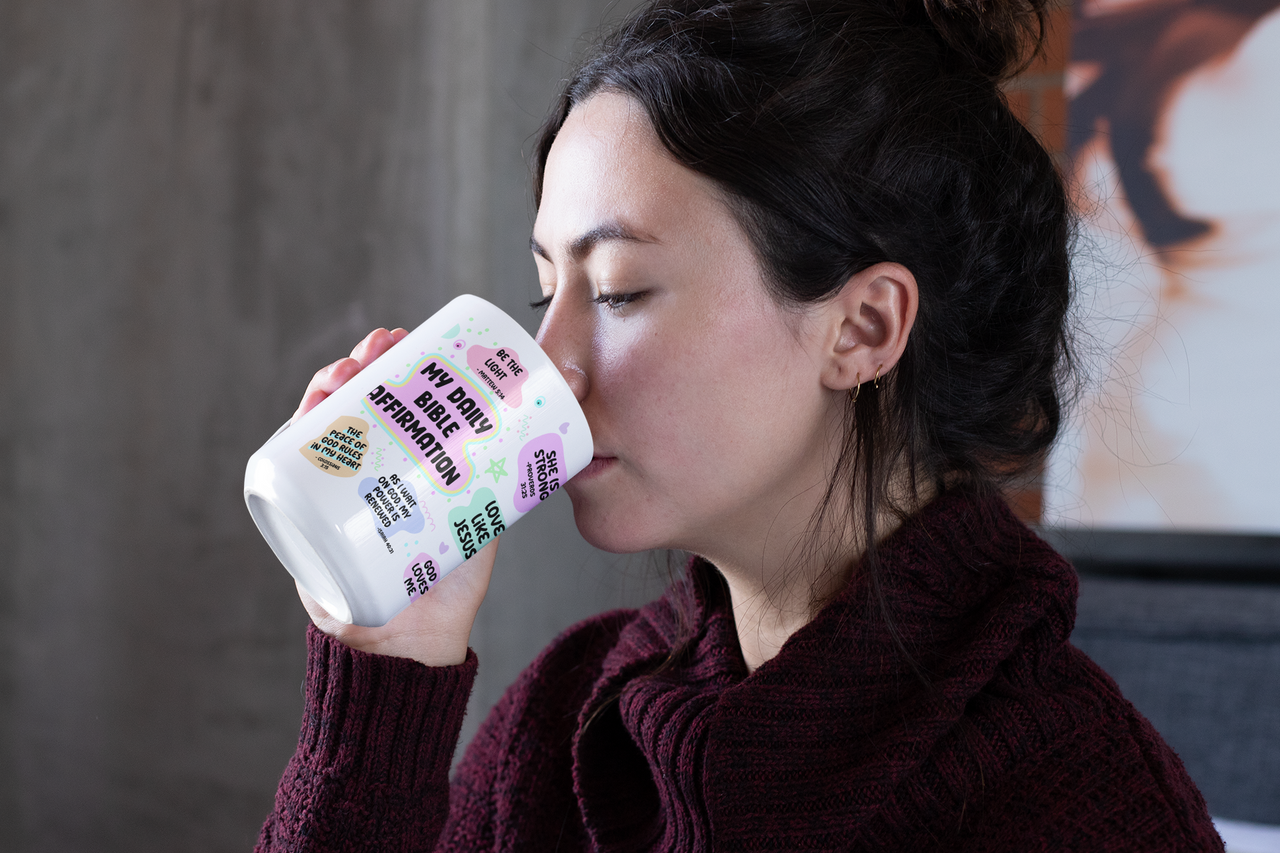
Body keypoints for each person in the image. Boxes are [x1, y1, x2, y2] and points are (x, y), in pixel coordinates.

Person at [258, 0, 1224, 850]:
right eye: (548, 288)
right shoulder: (568, 721)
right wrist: (386, 672)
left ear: (863, 327)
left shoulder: (1078, 802)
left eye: (621, 290)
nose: (548, 358)